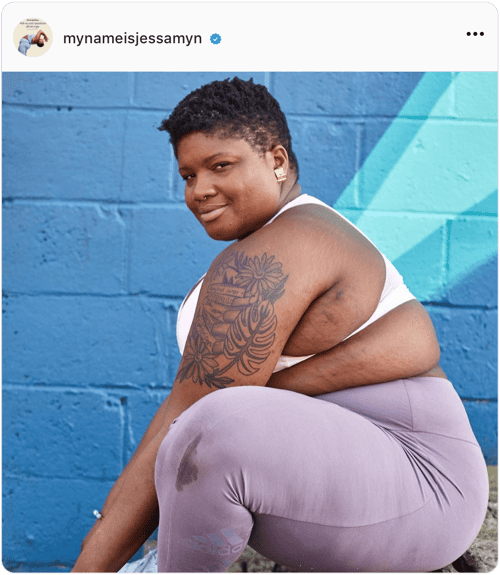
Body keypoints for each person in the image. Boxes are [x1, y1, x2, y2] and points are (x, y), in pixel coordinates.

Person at [72, 77, 488, 573]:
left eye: (220, 165)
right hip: (374, 485)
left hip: (419, 484)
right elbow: (181, 415)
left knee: (212, 430)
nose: (199, 190)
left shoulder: (281, 247)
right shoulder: (274, 243)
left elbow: (194, 425)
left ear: (277, 160)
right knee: (203, 424)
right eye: (187, 175)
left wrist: (92, 567)